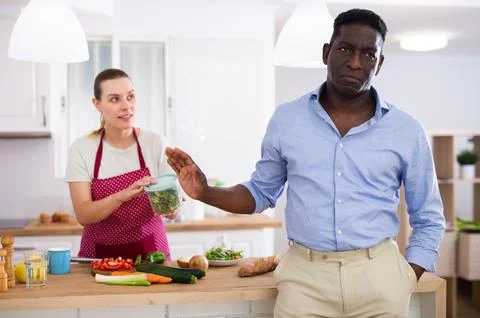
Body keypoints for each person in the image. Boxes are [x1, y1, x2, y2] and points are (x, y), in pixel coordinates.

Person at [166, 8, 446, 317]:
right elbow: (260, 193)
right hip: (304, 280)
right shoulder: (287, 119)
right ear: (327, 53)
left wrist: (405, 278)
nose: (355, 62)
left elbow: (429, 217)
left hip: (380, 278)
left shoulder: (406, 130)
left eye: (368, 54)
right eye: (345, 49)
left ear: (378, 64)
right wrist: (206, 193)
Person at [66, 68, 177, 260]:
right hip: (99, 258)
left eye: (131, 97)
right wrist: (122, 196)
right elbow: (83, 215)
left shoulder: (155, 143)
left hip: (153, 254)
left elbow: (172, 211)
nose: (127, 106)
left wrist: (173, 204)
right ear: (97, 104)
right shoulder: (82, 148)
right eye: (115, 99)